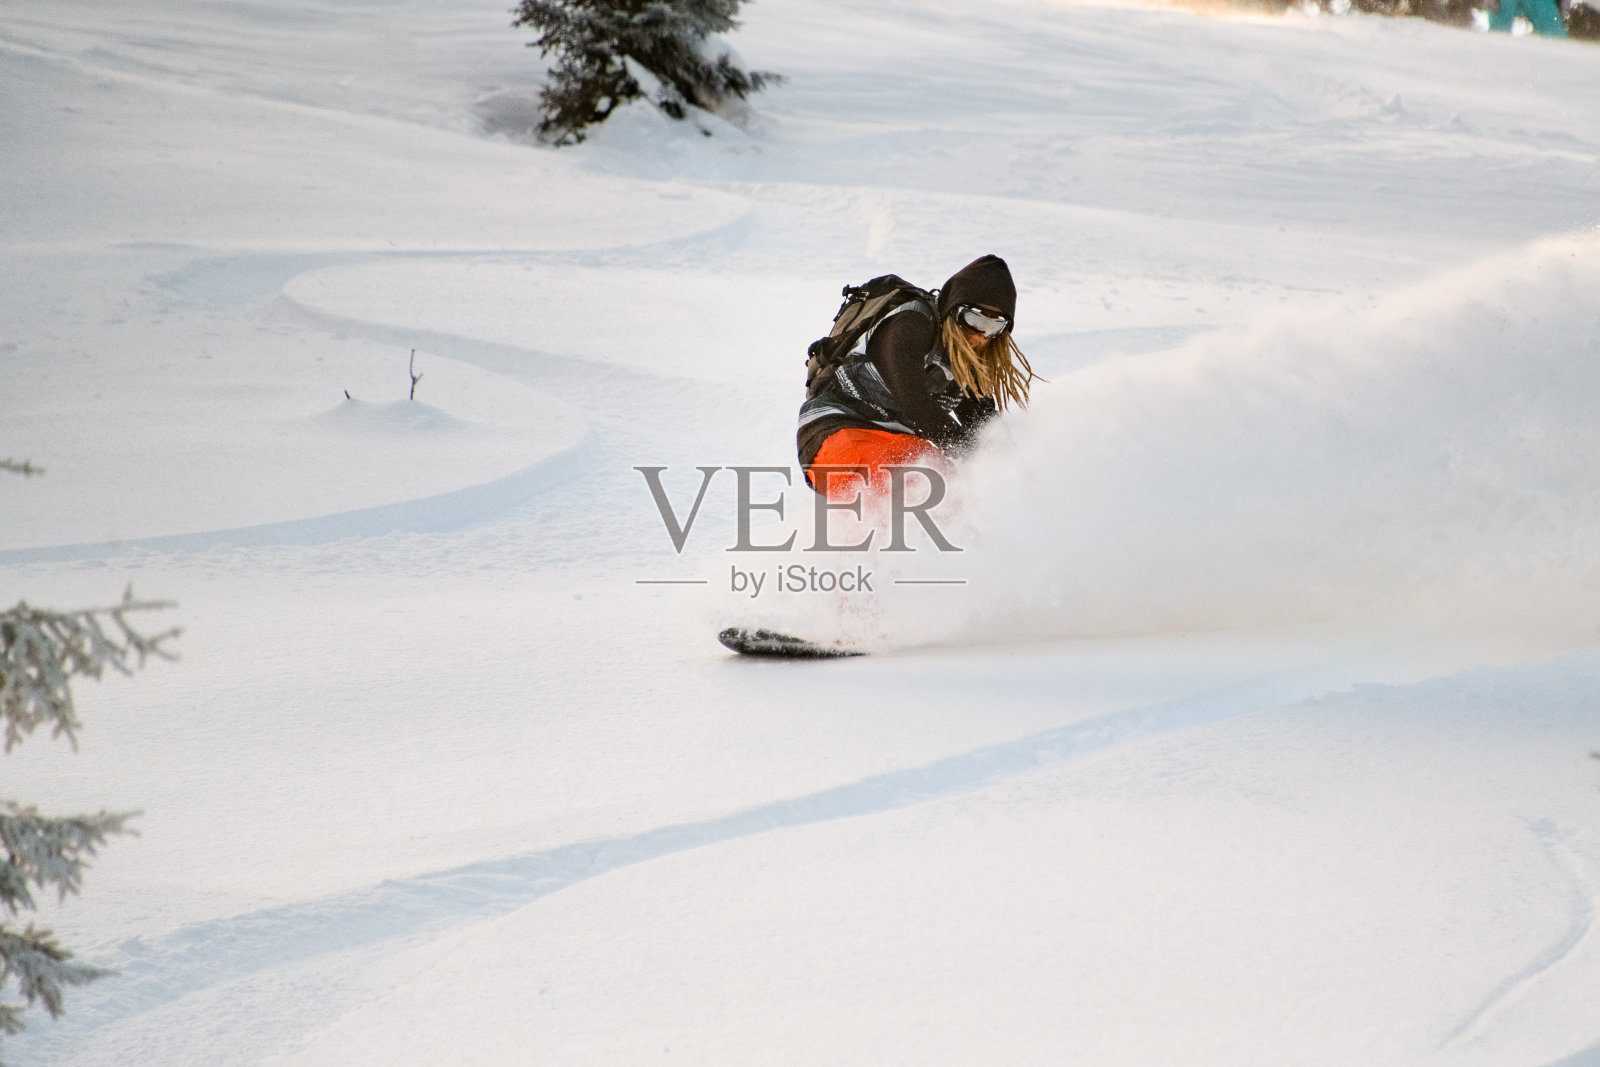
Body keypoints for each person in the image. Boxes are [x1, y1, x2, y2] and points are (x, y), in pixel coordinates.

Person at [796, 254, 1039, 500]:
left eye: (994, 326)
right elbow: (914, 403)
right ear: (954, 308)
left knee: (956, 496)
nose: (982, 335)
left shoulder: (965, 362)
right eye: (974, 318)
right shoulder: (910, 325)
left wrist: (1015, 474)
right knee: (907, 487)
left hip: (898, 444)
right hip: (837, 432)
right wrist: (972, 453)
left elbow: (983, 428)